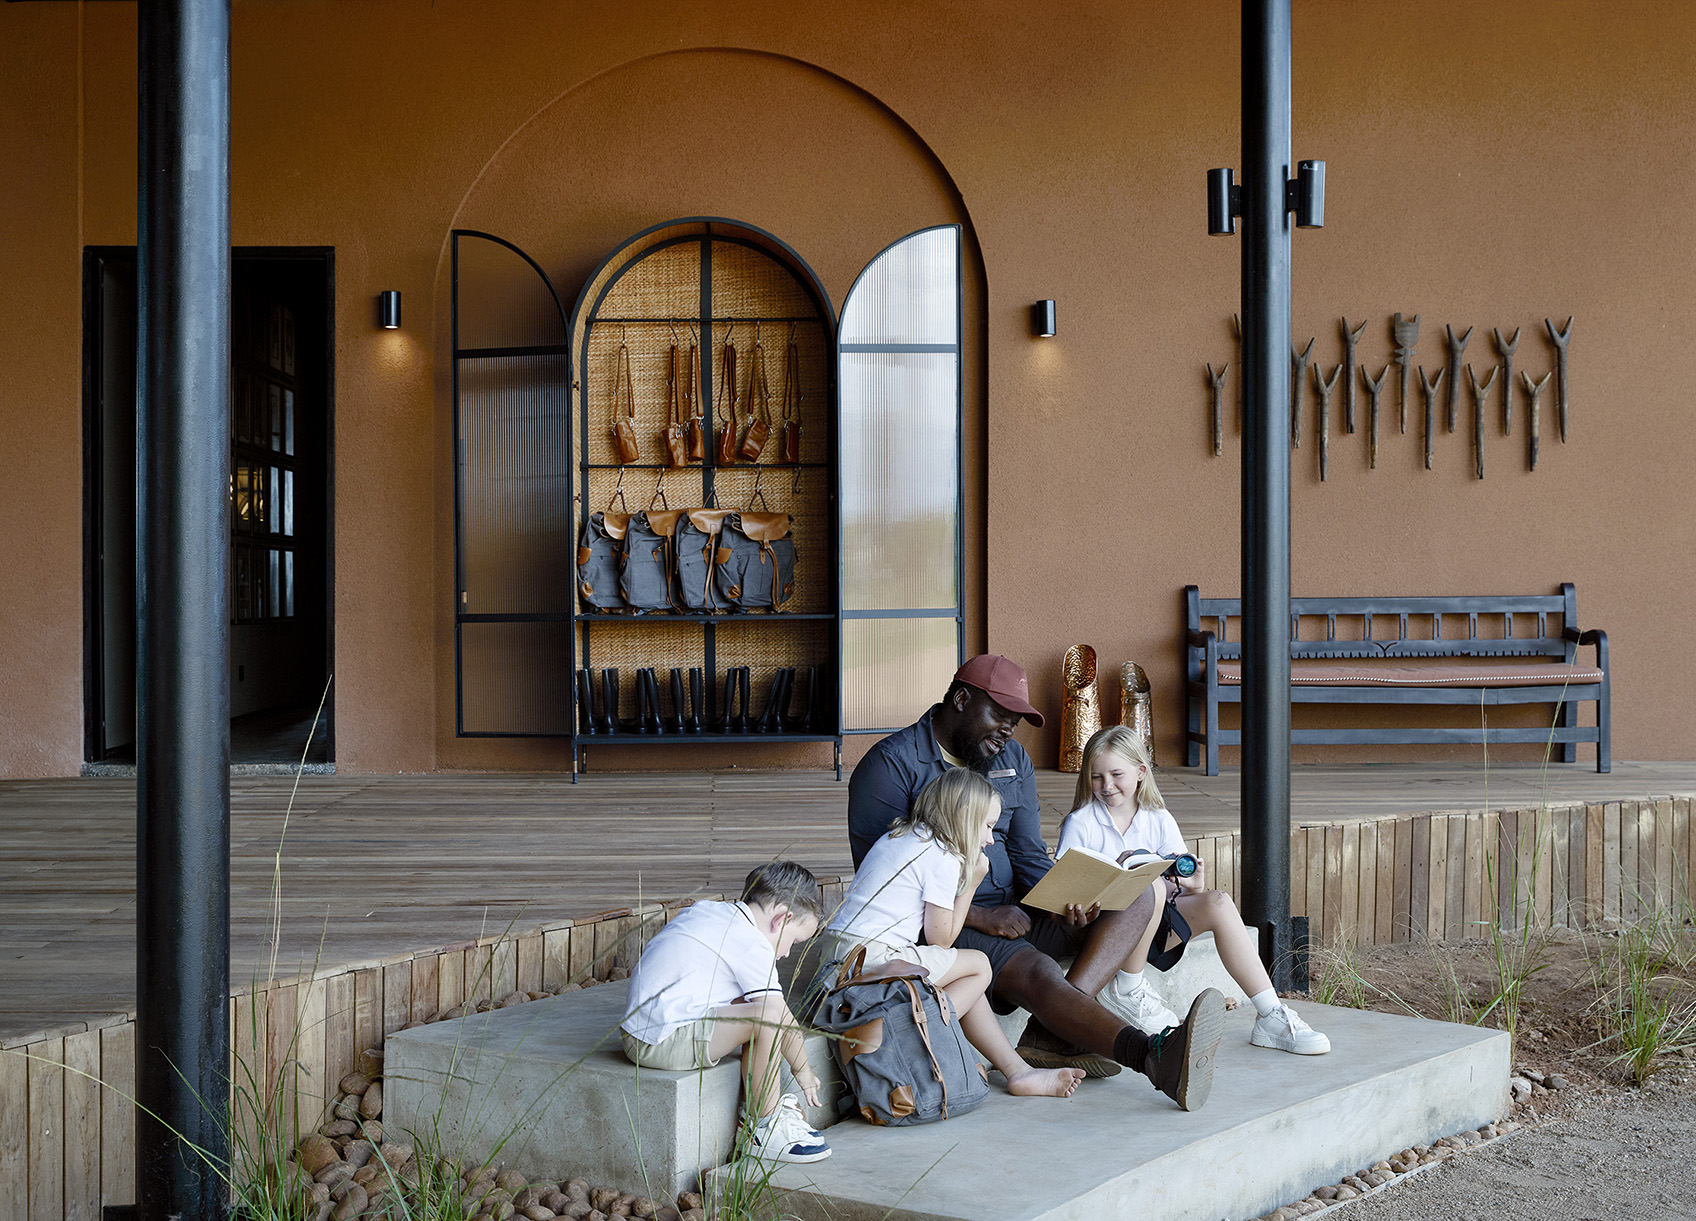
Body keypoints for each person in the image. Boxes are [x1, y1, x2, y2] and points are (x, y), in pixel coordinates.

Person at [846, 654, 1227, 1111]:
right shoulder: (891, 765)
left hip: (1016, 906)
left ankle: (1050, 1035)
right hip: (946, 923)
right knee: (1038, 969)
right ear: (962, 700)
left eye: (1016, 721)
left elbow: (1027, 853)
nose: (1009, 729)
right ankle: (1152, 1057)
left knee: (1138, 895)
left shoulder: (1011, 757)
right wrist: (983, 916)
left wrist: (1068, 899)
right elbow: (884, 880)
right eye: (1000, 716)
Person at [1059, 725, 1330, 1054]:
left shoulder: (1158, 819)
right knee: (1152, 885)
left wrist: (1193, 885)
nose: (1107, 785)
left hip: (1153, 931)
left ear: (1141, 772)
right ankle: (1127, 990)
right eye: (1097, 776)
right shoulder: (1081, 822)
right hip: (1103, 932)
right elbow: (1067, 886)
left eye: (1117, 774)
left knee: (1217, 901)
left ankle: (1271, 1014)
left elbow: (1182, 888)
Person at [823, 768, 1086, 1098]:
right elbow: (941, 938)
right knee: (978, 965)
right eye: (988, 826)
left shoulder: (905, 835)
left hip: (838, 955)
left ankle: (1018, 1072)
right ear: (963, 815)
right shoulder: (941, 854)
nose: (990, 839)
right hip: (872, 956)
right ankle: (918, 1039)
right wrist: (972, 882)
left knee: (961, 977)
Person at [621, 861, 832, 1163]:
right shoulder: (751, 943)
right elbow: (777, 1014)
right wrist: (804, 1072)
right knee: (766, 1015)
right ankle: (765, 1127)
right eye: (794, 941)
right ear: (782, 919)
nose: (786, 953)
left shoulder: (711, 911)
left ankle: (765, 1113)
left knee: (756, 1006)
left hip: (643, 1030)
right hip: (659, 1043)